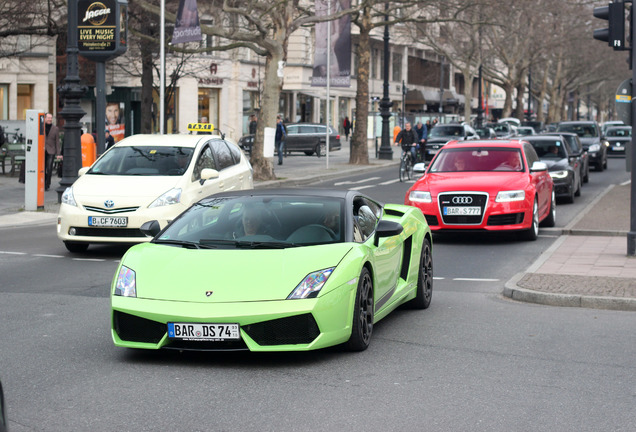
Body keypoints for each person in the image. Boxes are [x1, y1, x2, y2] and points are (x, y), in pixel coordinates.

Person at [44, 112, 60, 191]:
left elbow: (57, 141)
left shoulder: (55, 129)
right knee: (43, 168)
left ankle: (47, 183)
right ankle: (43, 182)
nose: (49, 119)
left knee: (49, 168)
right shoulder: (41, 127)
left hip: (51, 150)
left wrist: (58, 153)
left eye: (51, 118)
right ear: (45, 118)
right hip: (43, 150)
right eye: (48, 118)